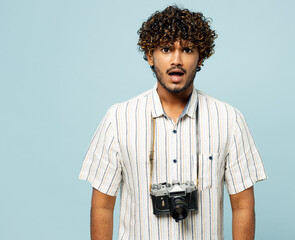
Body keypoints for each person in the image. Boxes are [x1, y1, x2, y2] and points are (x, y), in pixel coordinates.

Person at [79, 5, 267, 240]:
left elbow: (242, 207)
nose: (176, 60)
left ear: (201, 57)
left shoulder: (229, 120)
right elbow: (102, 206)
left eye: (187, 50)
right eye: (166, 49)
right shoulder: (118, 119)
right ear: (150, 55)